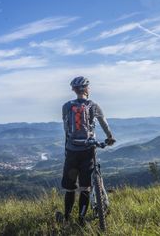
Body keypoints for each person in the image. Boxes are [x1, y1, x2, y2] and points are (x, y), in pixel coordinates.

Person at [61, 76, 116, 225]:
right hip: (88, 151)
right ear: (86, 89)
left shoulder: (66, 106)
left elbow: (66, 129)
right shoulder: (94, 106)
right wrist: (110, 137)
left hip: (72, 151)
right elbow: (104, 124)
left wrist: (68, 147)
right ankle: (81, 218)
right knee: (85, 187)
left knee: (70, 188)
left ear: (74, 90)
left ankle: (66, 218)